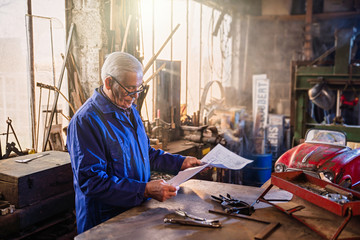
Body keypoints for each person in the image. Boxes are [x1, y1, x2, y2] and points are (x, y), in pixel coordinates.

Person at [66, 52, 201, 233]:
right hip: (104, 223)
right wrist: (144, 190)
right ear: (108, 83)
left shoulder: (128, 110)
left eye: (138, 88)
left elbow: (146, 153)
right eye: (130, 89)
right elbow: (92, 182)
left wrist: (180, 162)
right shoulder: (86, 121)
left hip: (134, 212)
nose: (135, 96)